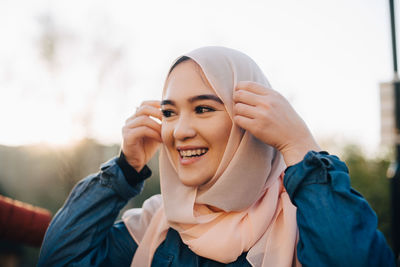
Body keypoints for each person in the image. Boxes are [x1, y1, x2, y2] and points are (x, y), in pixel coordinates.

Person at [38, 46, 395, 266]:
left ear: (251, 121)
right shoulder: (156, 223)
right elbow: (60, 260)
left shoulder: (307, 220)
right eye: (169, 112)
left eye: (204, 109)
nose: (179, 131)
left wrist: (300, 147)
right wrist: (122, 171)